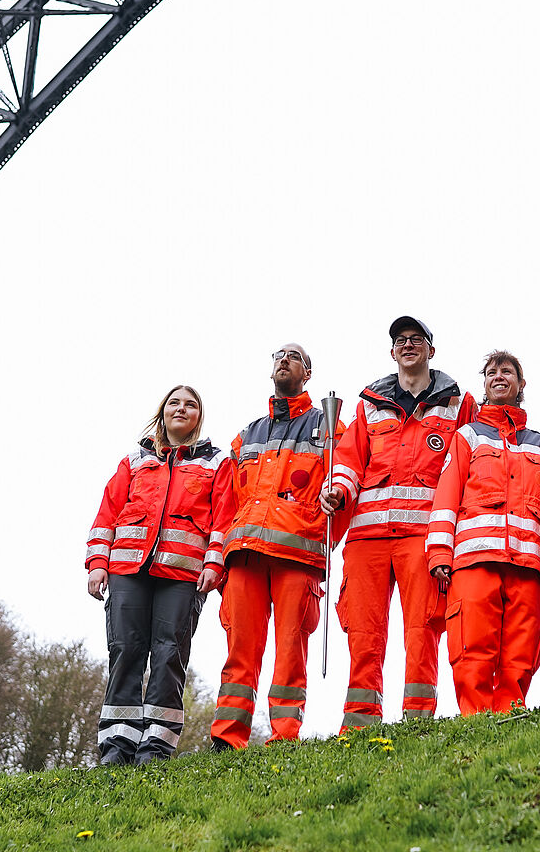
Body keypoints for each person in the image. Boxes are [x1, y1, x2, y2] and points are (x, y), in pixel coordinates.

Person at [322, 315, 475, 729]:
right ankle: (359, 722)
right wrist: (337, 489)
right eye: (400, 341)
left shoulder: (459, 403)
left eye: (416, 339)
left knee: (422, 628)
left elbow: (467, 467)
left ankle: (418, 720)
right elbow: (350, 459)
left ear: (431, 349)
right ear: (392, 352)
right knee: (363, 631)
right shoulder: (369, 404)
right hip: (367, 535)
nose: (408, 345)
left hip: (423, 536)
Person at [84, 385, 233, 764]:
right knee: (125, 651)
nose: (181, 408)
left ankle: (156, 746)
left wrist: (214, 564)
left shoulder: (216, 463)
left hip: (183, 576)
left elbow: (224, 519)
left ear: (200, 416)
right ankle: (117, 745)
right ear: (162, 411)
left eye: (191, 404)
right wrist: (97, 564)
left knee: (169, 655)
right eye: (174, 403)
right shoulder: (134, 460)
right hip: (127, 570)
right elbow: (108, 514)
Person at [209, 344, 342, 748]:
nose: (284, 359)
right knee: (240, 651)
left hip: (296, 555)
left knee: (290, 650)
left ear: (308, 372)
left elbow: (343, 488)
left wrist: (322, 534)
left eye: (294, 356)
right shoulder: (246, 434)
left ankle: (284, 735)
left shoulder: (330, 427)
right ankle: (227, 737)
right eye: (278, 355)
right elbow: (225, 501)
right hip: (245, 554)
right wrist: (219, 558)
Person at [425, 349, 540, 714]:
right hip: (474, 560)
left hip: (528, 564)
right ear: (484, 384)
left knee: (521, 651)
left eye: (507, 371)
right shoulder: (467, 436)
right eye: (491, 372)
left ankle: (510, 716)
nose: (499, 376)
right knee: (471, 648)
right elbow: (446, 497)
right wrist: (438, 554)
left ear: (520, 384)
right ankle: (476, 722)